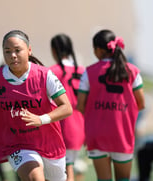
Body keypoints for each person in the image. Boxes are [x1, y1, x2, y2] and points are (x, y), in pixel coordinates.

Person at [0, 30, 73, 181]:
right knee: (34, 178)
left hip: (49, 143)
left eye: (18, 50)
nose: (13, 55)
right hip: (17, 143)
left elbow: (66, 107)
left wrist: (41, 119)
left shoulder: (44, 75)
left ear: (29, 50)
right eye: (7, 51)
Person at [77, 29, 145, 181]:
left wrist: (95, 116)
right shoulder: (133, 71)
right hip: (123, 134)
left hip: (97, 134)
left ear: (99, 50)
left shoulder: (89, 72)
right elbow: (140, 103)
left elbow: (80, 105)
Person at [49, 33, 86, 181]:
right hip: (79, 126)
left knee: (65, 169)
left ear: (53, 50)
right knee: (68, 166)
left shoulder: (52, 71)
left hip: (61, 126)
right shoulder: (82, 71)